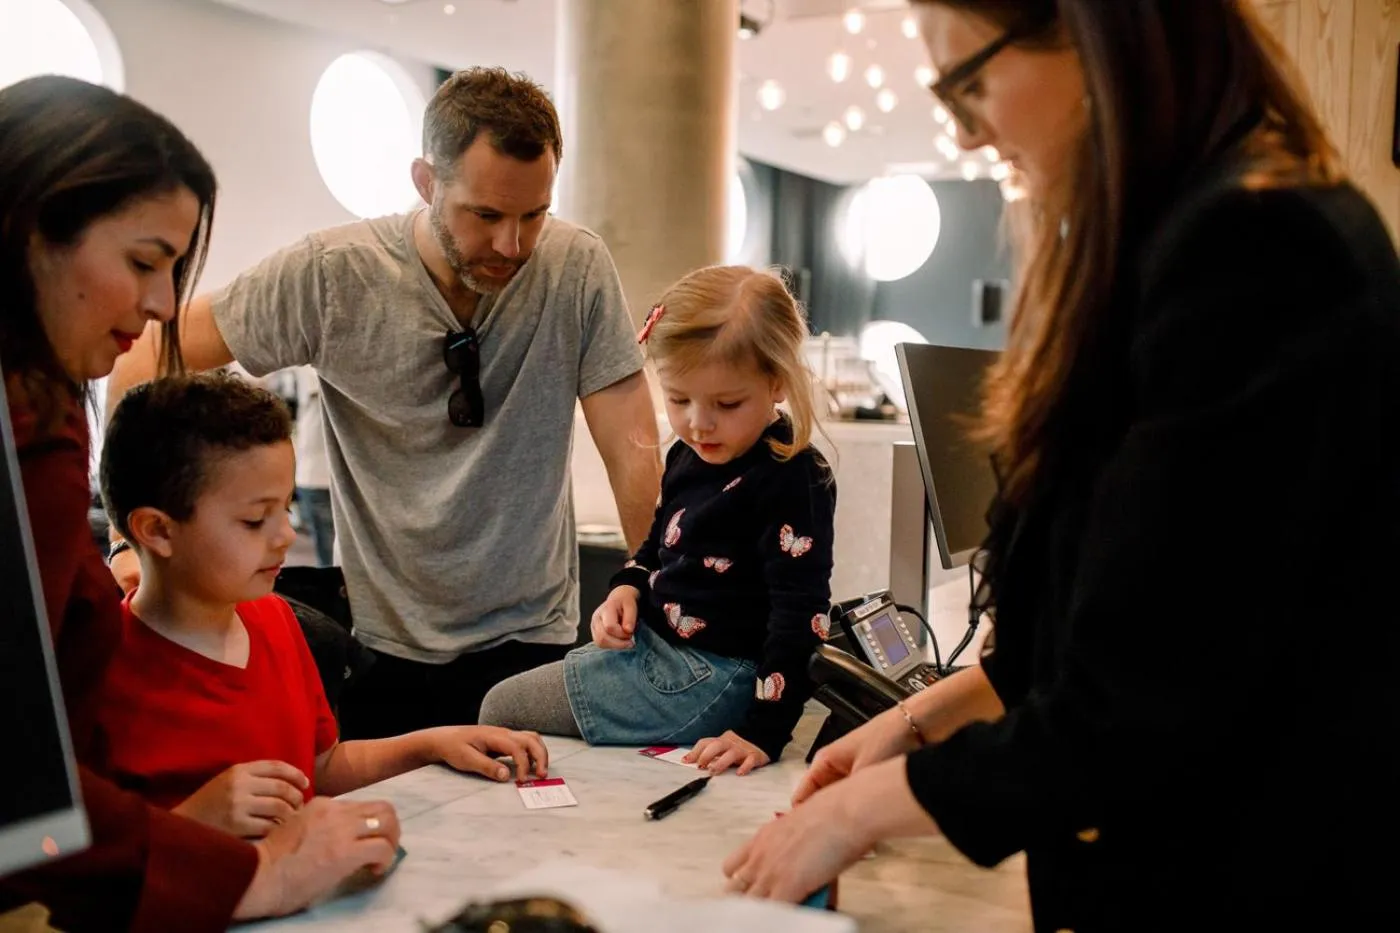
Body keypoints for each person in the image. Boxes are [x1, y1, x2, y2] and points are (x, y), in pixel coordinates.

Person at [722, 1, 1400, 929]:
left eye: (969, 84)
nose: (965, 132)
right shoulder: (1176, 237)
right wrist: (912, 723)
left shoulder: (1259, 249)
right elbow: (1126, 619)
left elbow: (1146, 699)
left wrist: (862, 809)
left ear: (1095, 35)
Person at [106, 67, 663, 740]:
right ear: (426, 182)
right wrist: (125, 538)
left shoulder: (576, 268)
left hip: (532, 637)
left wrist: (658, 588)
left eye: (534, 215)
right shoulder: (331, 274)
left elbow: (631, 443)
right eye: (486, 215)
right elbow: (144, 356)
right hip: (383, 644)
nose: (512, 245)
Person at [0, 75, 401, 932]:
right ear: (33, 230)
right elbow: (23, 776)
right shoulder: (27, 423)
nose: (163, 305)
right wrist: (248, 872)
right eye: (144, 261)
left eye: (175, 270)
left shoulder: (48, 403)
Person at [96, 373, 550, 836]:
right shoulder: (99, 670)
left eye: (286, 509)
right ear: (158, 530)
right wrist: (195, 819)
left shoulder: (276, 618)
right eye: (254, 520)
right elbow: (89, 857)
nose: (285, 536)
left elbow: (321, 766)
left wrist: (431, 744)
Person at [480, 266, 836, 776]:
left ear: (778, 380)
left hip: (714, 679)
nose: (698, 423)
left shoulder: (793, 475)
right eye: (678, 399)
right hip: (664, 649)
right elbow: (657, 546)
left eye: (727, 404)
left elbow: (801, 615)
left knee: (501, 708)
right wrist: (626, 588)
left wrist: (763, 732)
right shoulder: (688, 453)